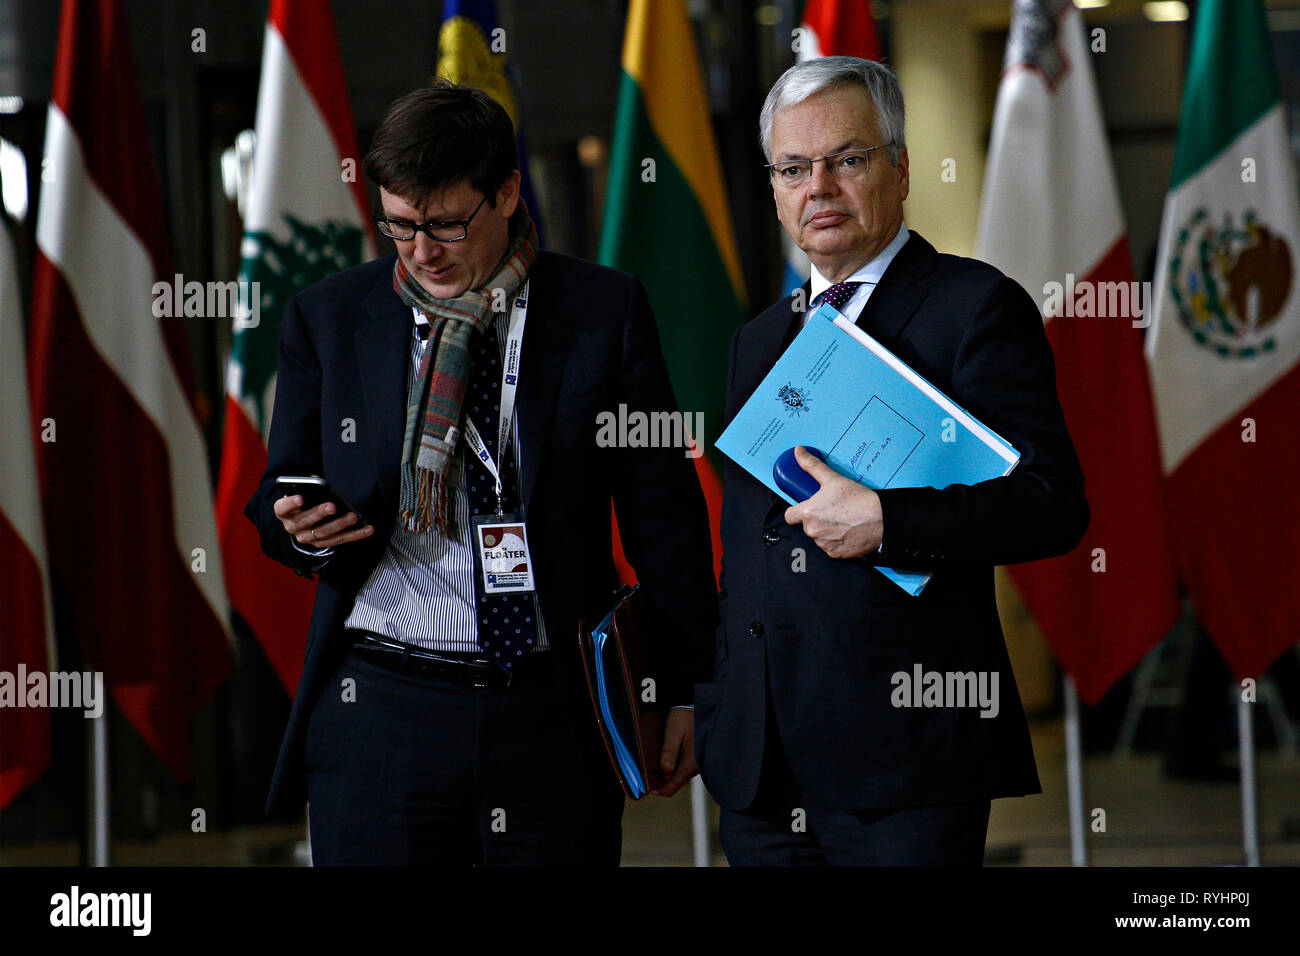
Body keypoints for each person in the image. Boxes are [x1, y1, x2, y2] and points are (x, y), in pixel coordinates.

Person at [245, 82, 717, 865]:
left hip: (552, 715)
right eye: (398, 228)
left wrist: (686, 688)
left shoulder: (604, 312)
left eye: (444, 225)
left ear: (506, 193)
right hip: (381, 710)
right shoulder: (328, 319)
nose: (421, 252)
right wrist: (296, 526)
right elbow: (279, 493)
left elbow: (661, 514)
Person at [693, 56, 1089, 865]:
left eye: (849, 159)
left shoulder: (974, 306)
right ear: (773, 188)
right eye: (794, 168)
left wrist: (890, 521)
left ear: (901, 168)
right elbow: (746, 545)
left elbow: (1053, 502)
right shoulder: (759, 339)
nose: (820, 187)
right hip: (761, 769)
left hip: (905, 762)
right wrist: (716, 703)